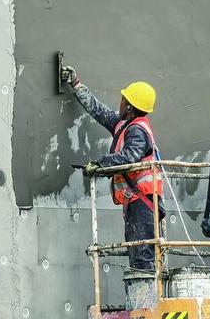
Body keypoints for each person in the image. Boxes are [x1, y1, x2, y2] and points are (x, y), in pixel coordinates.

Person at [61, 65, 164, 271]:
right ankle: (143, 300)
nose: (121, 101)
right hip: (137, 202)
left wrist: (100, 164)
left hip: (143, 204)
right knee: (138, 255)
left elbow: (129, 157)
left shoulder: (137, 130)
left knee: (142, 259)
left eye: (124, 99)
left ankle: (145, 302)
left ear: (130, 107)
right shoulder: (124, 123)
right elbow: (98, 111)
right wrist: (76, 84)